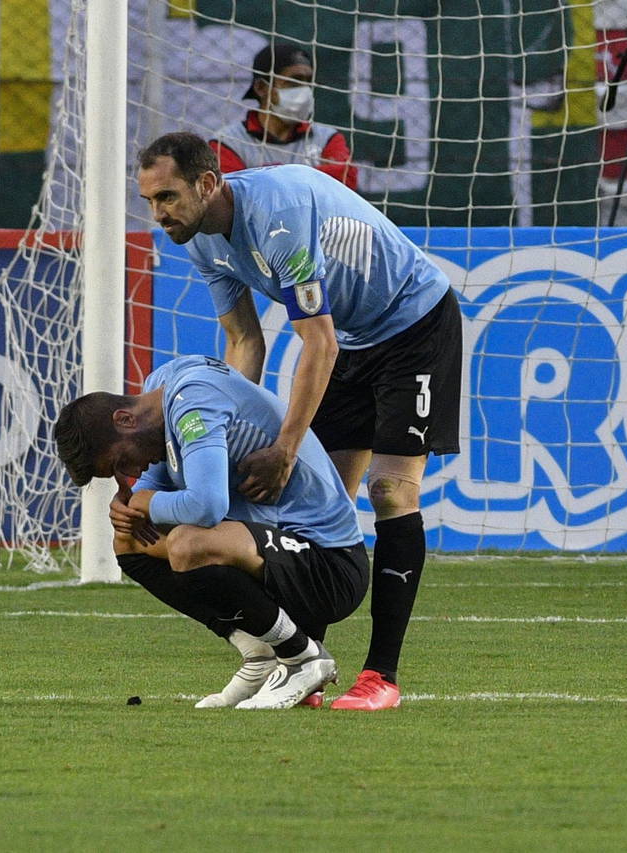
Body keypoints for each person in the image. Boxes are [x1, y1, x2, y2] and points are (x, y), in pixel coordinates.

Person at [136, 132, 462, 711]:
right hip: (352, 340)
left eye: (167, 198)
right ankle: (304, 663)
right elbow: (243, 341)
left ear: (207, 184)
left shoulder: (279, 217)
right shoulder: (201, 242)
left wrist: (284, 448)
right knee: (319, 504)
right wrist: (225, 433)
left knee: (390, 491)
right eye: (151, 203)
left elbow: (318, 342)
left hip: (415, 326)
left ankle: (380, 676)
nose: (159, 215)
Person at [54, 354, 370, 710]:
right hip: (276, 555)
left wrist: (147, 501)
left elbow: (208, 506)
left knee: (189, 543)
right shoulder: (164, 388)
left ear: (125, 419)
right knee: (129, 542)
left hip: (330, 566)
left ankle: (302, 658)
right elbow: (155, 485)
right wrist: (131, 508)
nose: (127, 473)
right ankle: (259, 655)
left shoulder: (193, 402)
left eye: (119, 462)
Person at [209, 43, 357, 190]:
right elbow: (234, 196)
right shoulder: (227, 143)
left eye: (309, 82)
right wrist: (316, 176)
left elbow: (347, 179)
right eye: (294, 81)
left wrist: (265, 181)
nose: (305, 90)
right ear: (261, 88)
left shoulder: (328, 138)